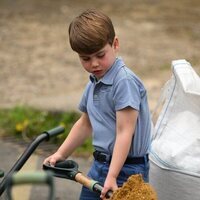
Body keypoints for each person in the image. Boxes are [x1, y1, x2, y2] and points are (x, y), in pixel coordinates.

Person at [43, 9, 152, 200]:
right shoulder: (94, 81)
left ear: (115, 44)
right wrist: (61, 154)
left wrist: (113, 176)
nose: (94, 64)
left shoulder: (124, 82)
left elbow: (124, 132)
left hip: (127, 171)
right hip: (100, 166)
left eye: (100, 55)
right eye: (85, 58)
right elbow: (86, 123)